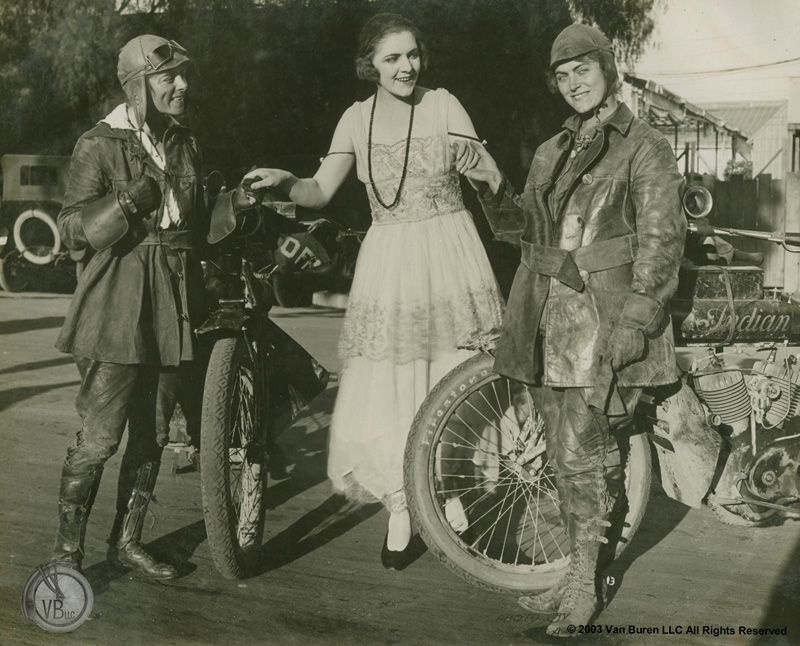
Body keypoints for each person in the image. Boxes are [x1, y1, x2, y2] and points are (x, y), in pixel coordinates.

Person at [245, 13, 504, 569]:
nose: (406, 66)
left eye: (412, 55)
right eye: (392, 58)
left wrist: (480, 165)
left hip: (449, 252)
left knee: (451, 372)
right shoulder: (355, 119)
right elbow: (317, 192)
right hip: (389, 261)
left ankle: (449, 488)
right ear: (371, 66)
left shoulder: (443, 104)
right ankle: (400, 504)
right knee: (390, 383)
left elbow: (490, 175)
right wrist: (283, 180)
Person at [466, 23, 686, 634]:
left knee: (582, 452)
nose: (572, 84)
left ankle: (585, 585)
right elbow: (523, 231)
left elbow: (663, 243)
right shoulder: (549, 150)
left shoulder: (644, 146)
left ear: (608, 68)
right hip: (543, 324)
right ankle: (574, 576)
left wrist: (637, 320)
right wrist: (489, 185)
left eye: (582, 70)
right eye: (561, 77)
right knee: (564, 463)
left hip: (604, 320)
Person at [52, 35, 208, 579]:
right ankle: (66, 557)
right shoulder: (99, 143)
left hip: (171, 305)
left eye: (184, 75)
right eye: (169, 78)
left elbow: (198, 226)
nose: (182, 85)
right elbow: (71, 231)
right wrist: (122, 201)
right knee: (98, 440)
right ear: (140, 83)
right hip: (115, 305)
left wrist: (243, 205)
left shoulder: (185, 143)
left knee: (155, 433)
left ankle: (127, 543)